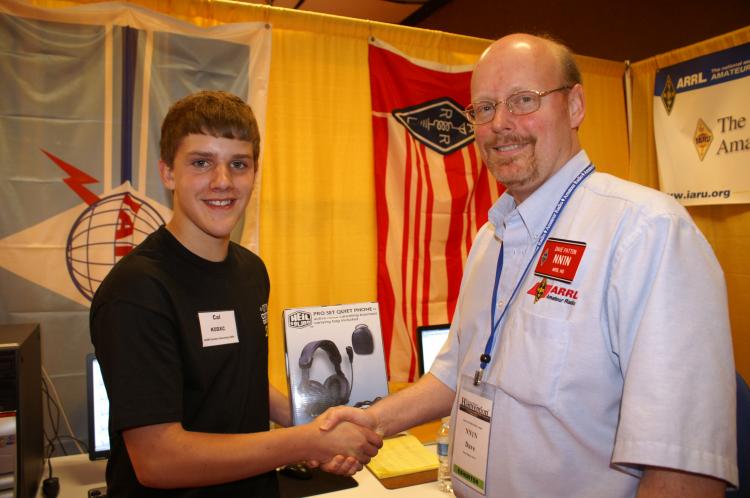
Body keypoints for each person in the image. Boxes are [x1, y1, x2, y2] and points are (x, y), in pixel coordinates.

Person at [318, 34, 738, 497]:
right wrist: (371, 420)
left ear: (574, 106)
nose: (500, 123)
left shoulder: (646, 233)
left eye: (523, 100)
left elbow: (683, 471)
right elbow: (456, 374)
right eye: (484, 108)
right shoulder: (490, 239)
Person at [90, 90, 381, 497]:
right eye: (201, 162)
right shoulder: (137, 290)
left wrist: (314, 423)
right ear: (167, 173)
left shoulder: (250, 271)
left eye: (238, 164)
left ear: (254, 173)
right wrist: (307, 441)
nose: (222, 181)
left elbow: (238, 380)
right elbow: (157, 460)